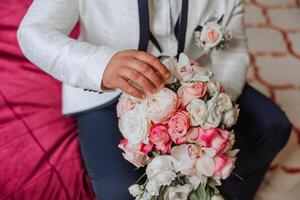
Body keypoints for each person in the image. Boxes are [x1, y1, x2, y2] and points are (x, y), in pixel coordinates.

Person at [17, 0, 292, 199]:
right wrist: (102, 66)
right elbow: (33, 31)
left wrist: (209, 106)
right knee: (118, 190)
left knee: (273, 127)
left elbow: (233, 53)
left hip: (194, 83)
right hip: (109, 92)